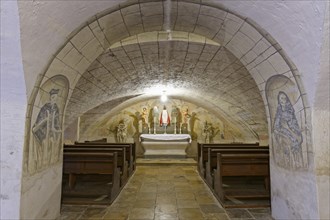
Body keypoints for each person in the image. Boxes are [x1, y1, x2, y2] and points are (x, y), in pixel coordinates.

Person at [32, 88, 62, 170]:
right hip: (42, 129)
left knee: (52, 141)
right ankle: (43, 164)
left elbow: (56, 121)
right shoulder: (45, 107)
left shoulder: (56, 108)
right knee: (45, 142)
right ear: (50, 97)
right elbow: (39, 121)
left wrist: (58, 129)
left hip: (51, 130)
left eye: (56, 98)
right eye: (53, 97)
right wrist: (46, 119)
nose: (54, 99)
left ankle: (50, 163)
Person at [273, 91, 303, 168]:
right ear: (279, 100)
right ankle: (287, 164)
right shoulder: (278, 111)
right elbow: (276, 125)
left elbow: (293, 123)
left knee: (292, 144)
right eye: (281, 98)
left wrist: (288, 128)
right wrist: (277, 130)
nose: (283, 100)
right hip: (282, 134)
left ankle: (295, 164)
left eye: (285, 98)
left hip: (291, 133)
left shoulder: (289, 111)